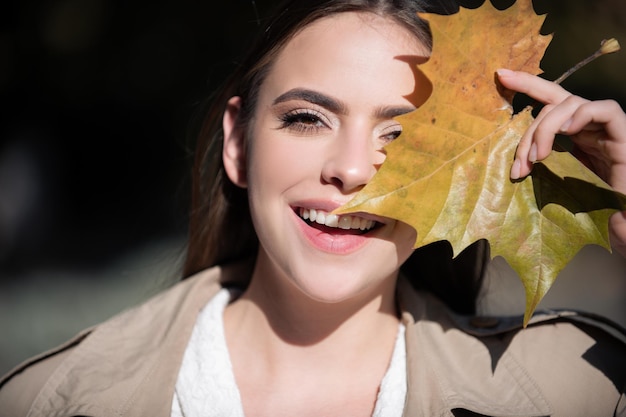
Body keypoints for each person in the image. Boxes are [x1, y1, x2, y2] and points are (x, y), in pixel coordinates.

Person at [1, 0, 625, 416]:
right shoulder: (44, 401)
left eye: (400, 135)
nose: (350, 169)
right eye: (306, 119)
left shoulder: (582, 387)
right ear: (239, 144)